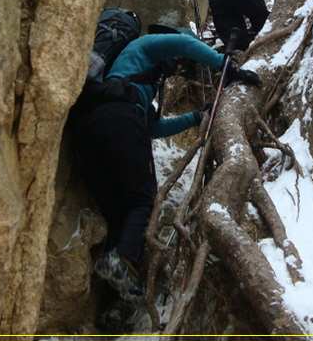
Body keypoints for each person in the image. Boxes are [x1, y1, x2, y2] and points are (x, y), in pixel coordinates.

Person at [66, 24, 261, 333]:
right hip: (120, 117)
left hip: (87, 133)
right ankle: (119, 263)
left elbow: (153, 129)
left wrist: (197, 116)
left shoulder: (137, 77)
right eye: (181, 63)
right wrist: (228, 68)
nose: (180, 67)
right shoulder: (147, 45)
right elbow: (182, 42)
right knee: (142, 200)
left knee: (121, 217)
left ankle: (113, 307)